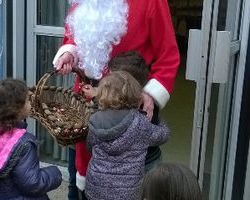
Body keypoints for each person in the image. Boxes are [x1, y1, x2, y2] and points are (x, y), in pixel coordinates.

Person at [52, 0, 180, 197]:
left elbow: (168, 56)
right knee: (77, 183)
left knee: (132, 188)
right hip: (85, 107)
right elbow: (74, 37)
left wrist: (150, 94)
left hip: (131, 106)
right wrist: (70, 52)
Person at [0, 79, 62, 200]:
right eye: (27, 100)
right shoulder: (24, 143)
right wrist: (54, 174)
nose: (30, 103)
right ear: (17, 109)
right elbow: (32, 184)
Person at [84, 71, 170, 200]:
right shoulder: (140, 123)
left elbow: (90, 147)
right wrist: (159, 121)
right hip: (128, 194)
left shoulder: (95, 120)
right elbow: (163, 136)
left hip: (95, 189)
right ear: (135, 95)